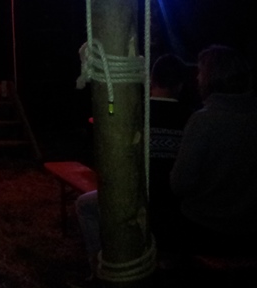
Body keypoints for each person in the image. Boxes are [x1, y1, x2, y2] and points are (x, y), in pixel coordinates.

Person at [76, 54, 193, 273]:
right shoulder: (191, 118)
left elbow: (111, 118)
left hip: (136, 196)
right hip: (172, 200)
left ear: (151, 80)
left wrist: (109, 111)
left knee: (84, 205)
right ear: (180, 85)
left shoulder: (135, 110)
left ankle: (99, 265)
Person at [170, 45, 257, 255]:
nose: (197, 78)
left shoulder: (204, 121)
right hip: (249, 228)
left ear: (212, 77)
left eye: (200, 72)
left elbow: (180, 184)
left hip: (206, 227)